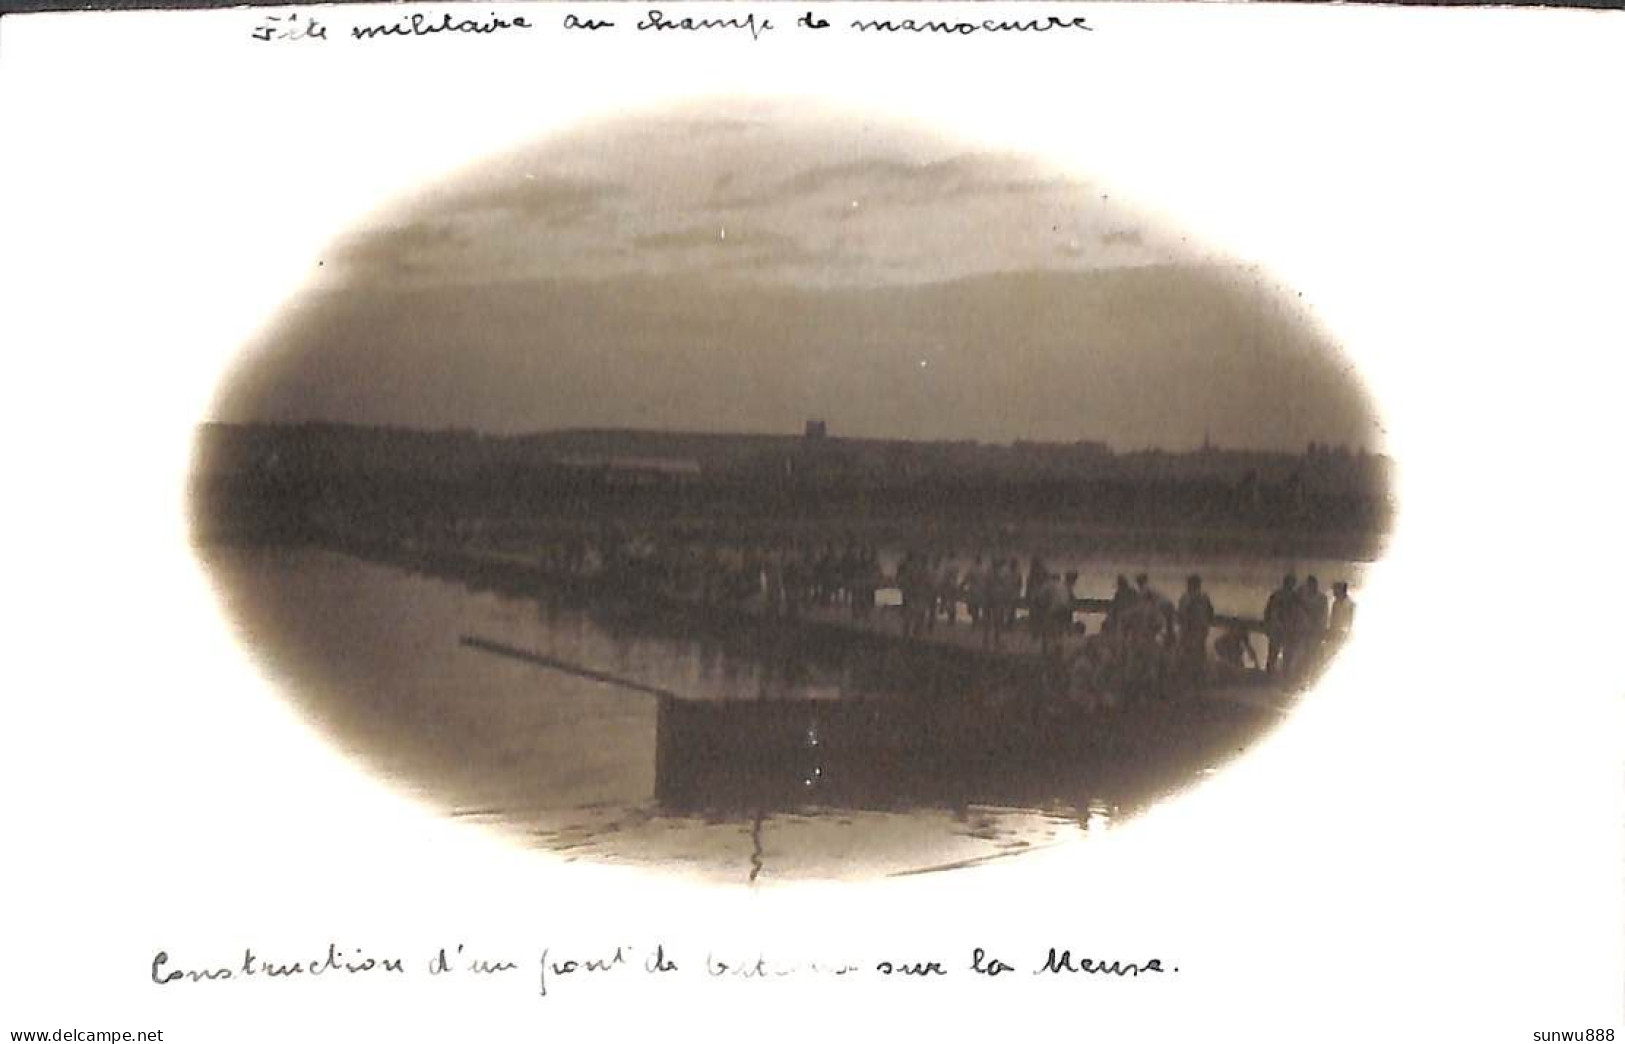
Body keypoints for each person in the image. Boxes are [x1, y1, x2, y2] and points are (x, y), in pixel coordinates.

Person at [1176, 574, 1216, 687]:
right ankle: (1198, 677)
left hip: (1190, 630)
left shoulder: (1186, 597)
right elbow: (1210, 612)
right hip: (1200, 629)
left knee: (1188, 653)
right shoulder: (1204, 597)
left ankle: (1190, 678)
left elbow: (1182, 614)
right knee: (1198, 653)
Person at [1263, 573, 1299, 676]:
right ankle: (1282, 674)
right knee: (1283, 654)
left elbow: (1267, 612)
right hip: (1284, 628)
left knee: (1276, 653)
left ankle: (1272, 673)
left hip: (1280, 628)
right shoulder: (1292, 597)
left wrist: (1267, 625)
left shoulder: (1278, 595)